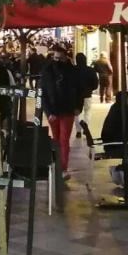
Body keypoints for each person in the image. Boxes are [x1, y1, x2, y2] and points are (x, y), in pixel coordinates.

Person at [41, 46, 80, 174]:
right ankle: (56, 165)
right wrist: (48, 111)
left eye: (60, 58)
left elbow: (79, 90)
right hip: (53, 110)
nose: (57, 61)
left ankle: (62, 167)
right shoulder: (47, 71)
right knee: (56, 138)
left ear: (65, 57)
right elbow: (44, 92)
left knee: (63, 139)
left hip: (67, 110)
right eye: (55, 58)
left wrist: (78, 107)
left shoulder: (72, 71)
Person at [74, 53, 99, 139]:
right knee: (87, 111)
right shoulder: (91, 70)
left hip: (76, 95)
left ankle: (78, 131)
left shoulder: (73, 70)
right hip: (87, 94)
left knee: (77, 113)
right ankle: (86, 126)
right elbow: (95, 83)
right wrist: (90, 89)